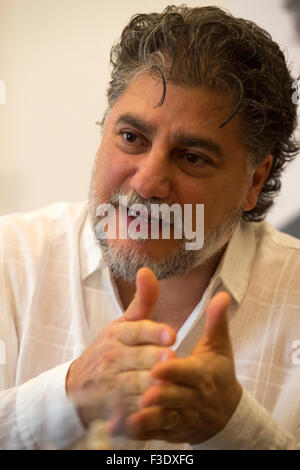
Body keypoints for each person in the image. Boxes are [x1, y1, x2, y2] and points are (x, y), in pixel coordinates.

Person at [0, 4, 300, 450]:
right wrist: (65, 398)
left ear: (253, 181)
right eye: (132, 138)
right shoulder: (11, 259)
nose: (147, 183)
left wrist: (238, 431)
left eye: (193, 157)